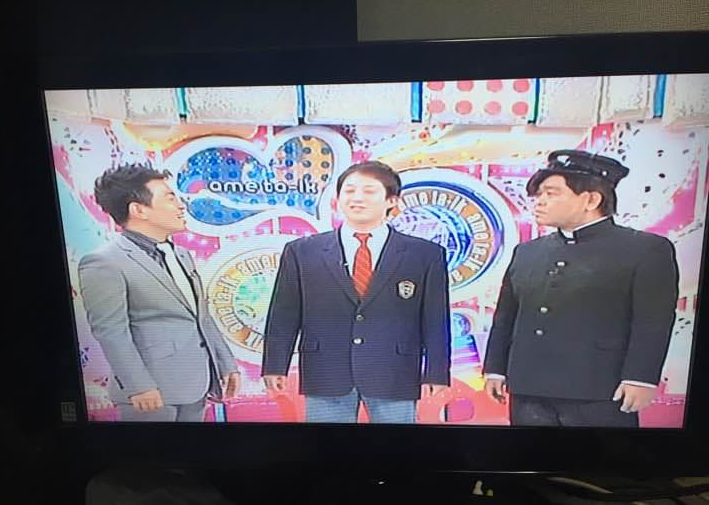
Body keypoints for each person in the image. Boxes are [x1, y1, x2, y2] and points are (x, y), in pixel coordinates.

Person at [483, 150, 679, 427]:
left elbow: (653, 321)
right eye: (539, 194)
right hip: (528, 387)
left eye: (551, 193)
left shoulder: (645, 249)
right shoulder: (527, 251)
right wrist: (495, 369)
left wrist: (640, 378)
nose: (540, 201)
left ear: (591, 200)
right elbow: (506, 316)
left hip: (600, 388)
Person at [261, 161, 451, 423]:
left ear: (392, 200)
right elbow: (284, 314)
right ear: (338, 199)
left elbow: (435, 318)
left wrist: (437, 371)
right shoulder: (302, 251)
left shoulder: (425, 254)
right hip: (326, 371)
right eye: (349, 191)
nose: (357, 198)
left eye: (369, 191)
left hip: (394, 371)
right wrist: (274, 365)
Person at [79, 164, 240, 422]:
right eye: (170, 198)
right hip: (151, 392)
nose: (181, 206)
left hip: (197, 384)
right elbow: (111, 331)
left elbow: (201, 316)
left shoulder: (181, 254)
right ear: (139, 210)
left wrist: (225, 363)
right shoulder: (104, 262)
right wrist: (138, 385)